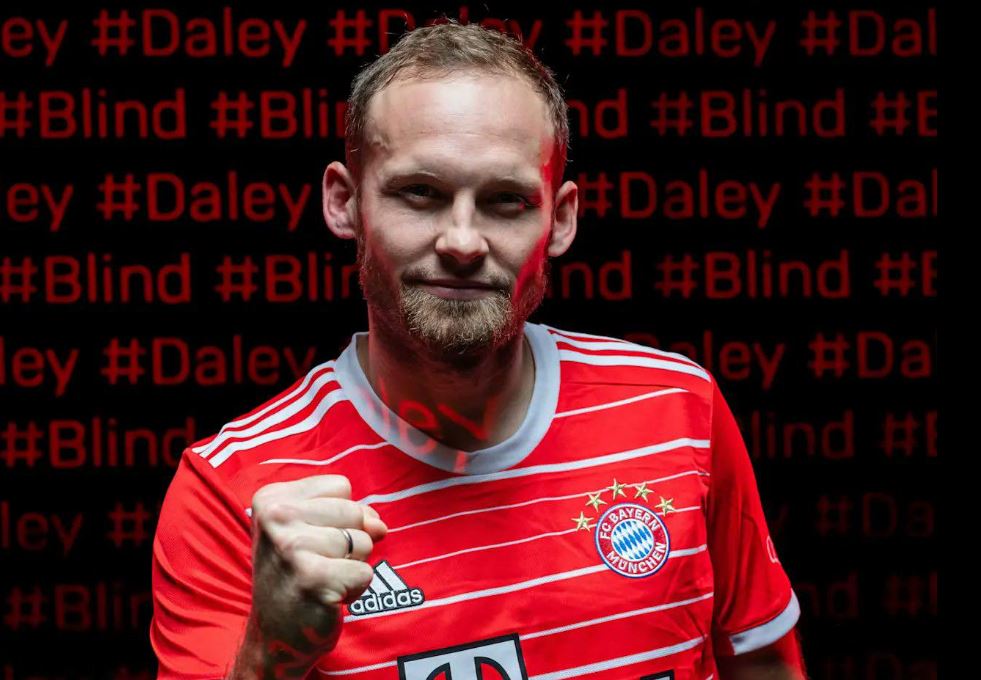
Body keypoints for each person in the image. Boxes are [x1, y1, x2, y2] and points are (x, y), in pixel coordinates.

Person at [150, 20, 808, 680]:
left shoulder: (677, 408)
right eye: (420, 193)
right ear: (344, 202)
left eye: (505, 201)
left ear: (561, 219)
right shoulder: (231, 490)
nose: (462, 242)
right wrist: (269, 656)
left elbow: (765, 665)